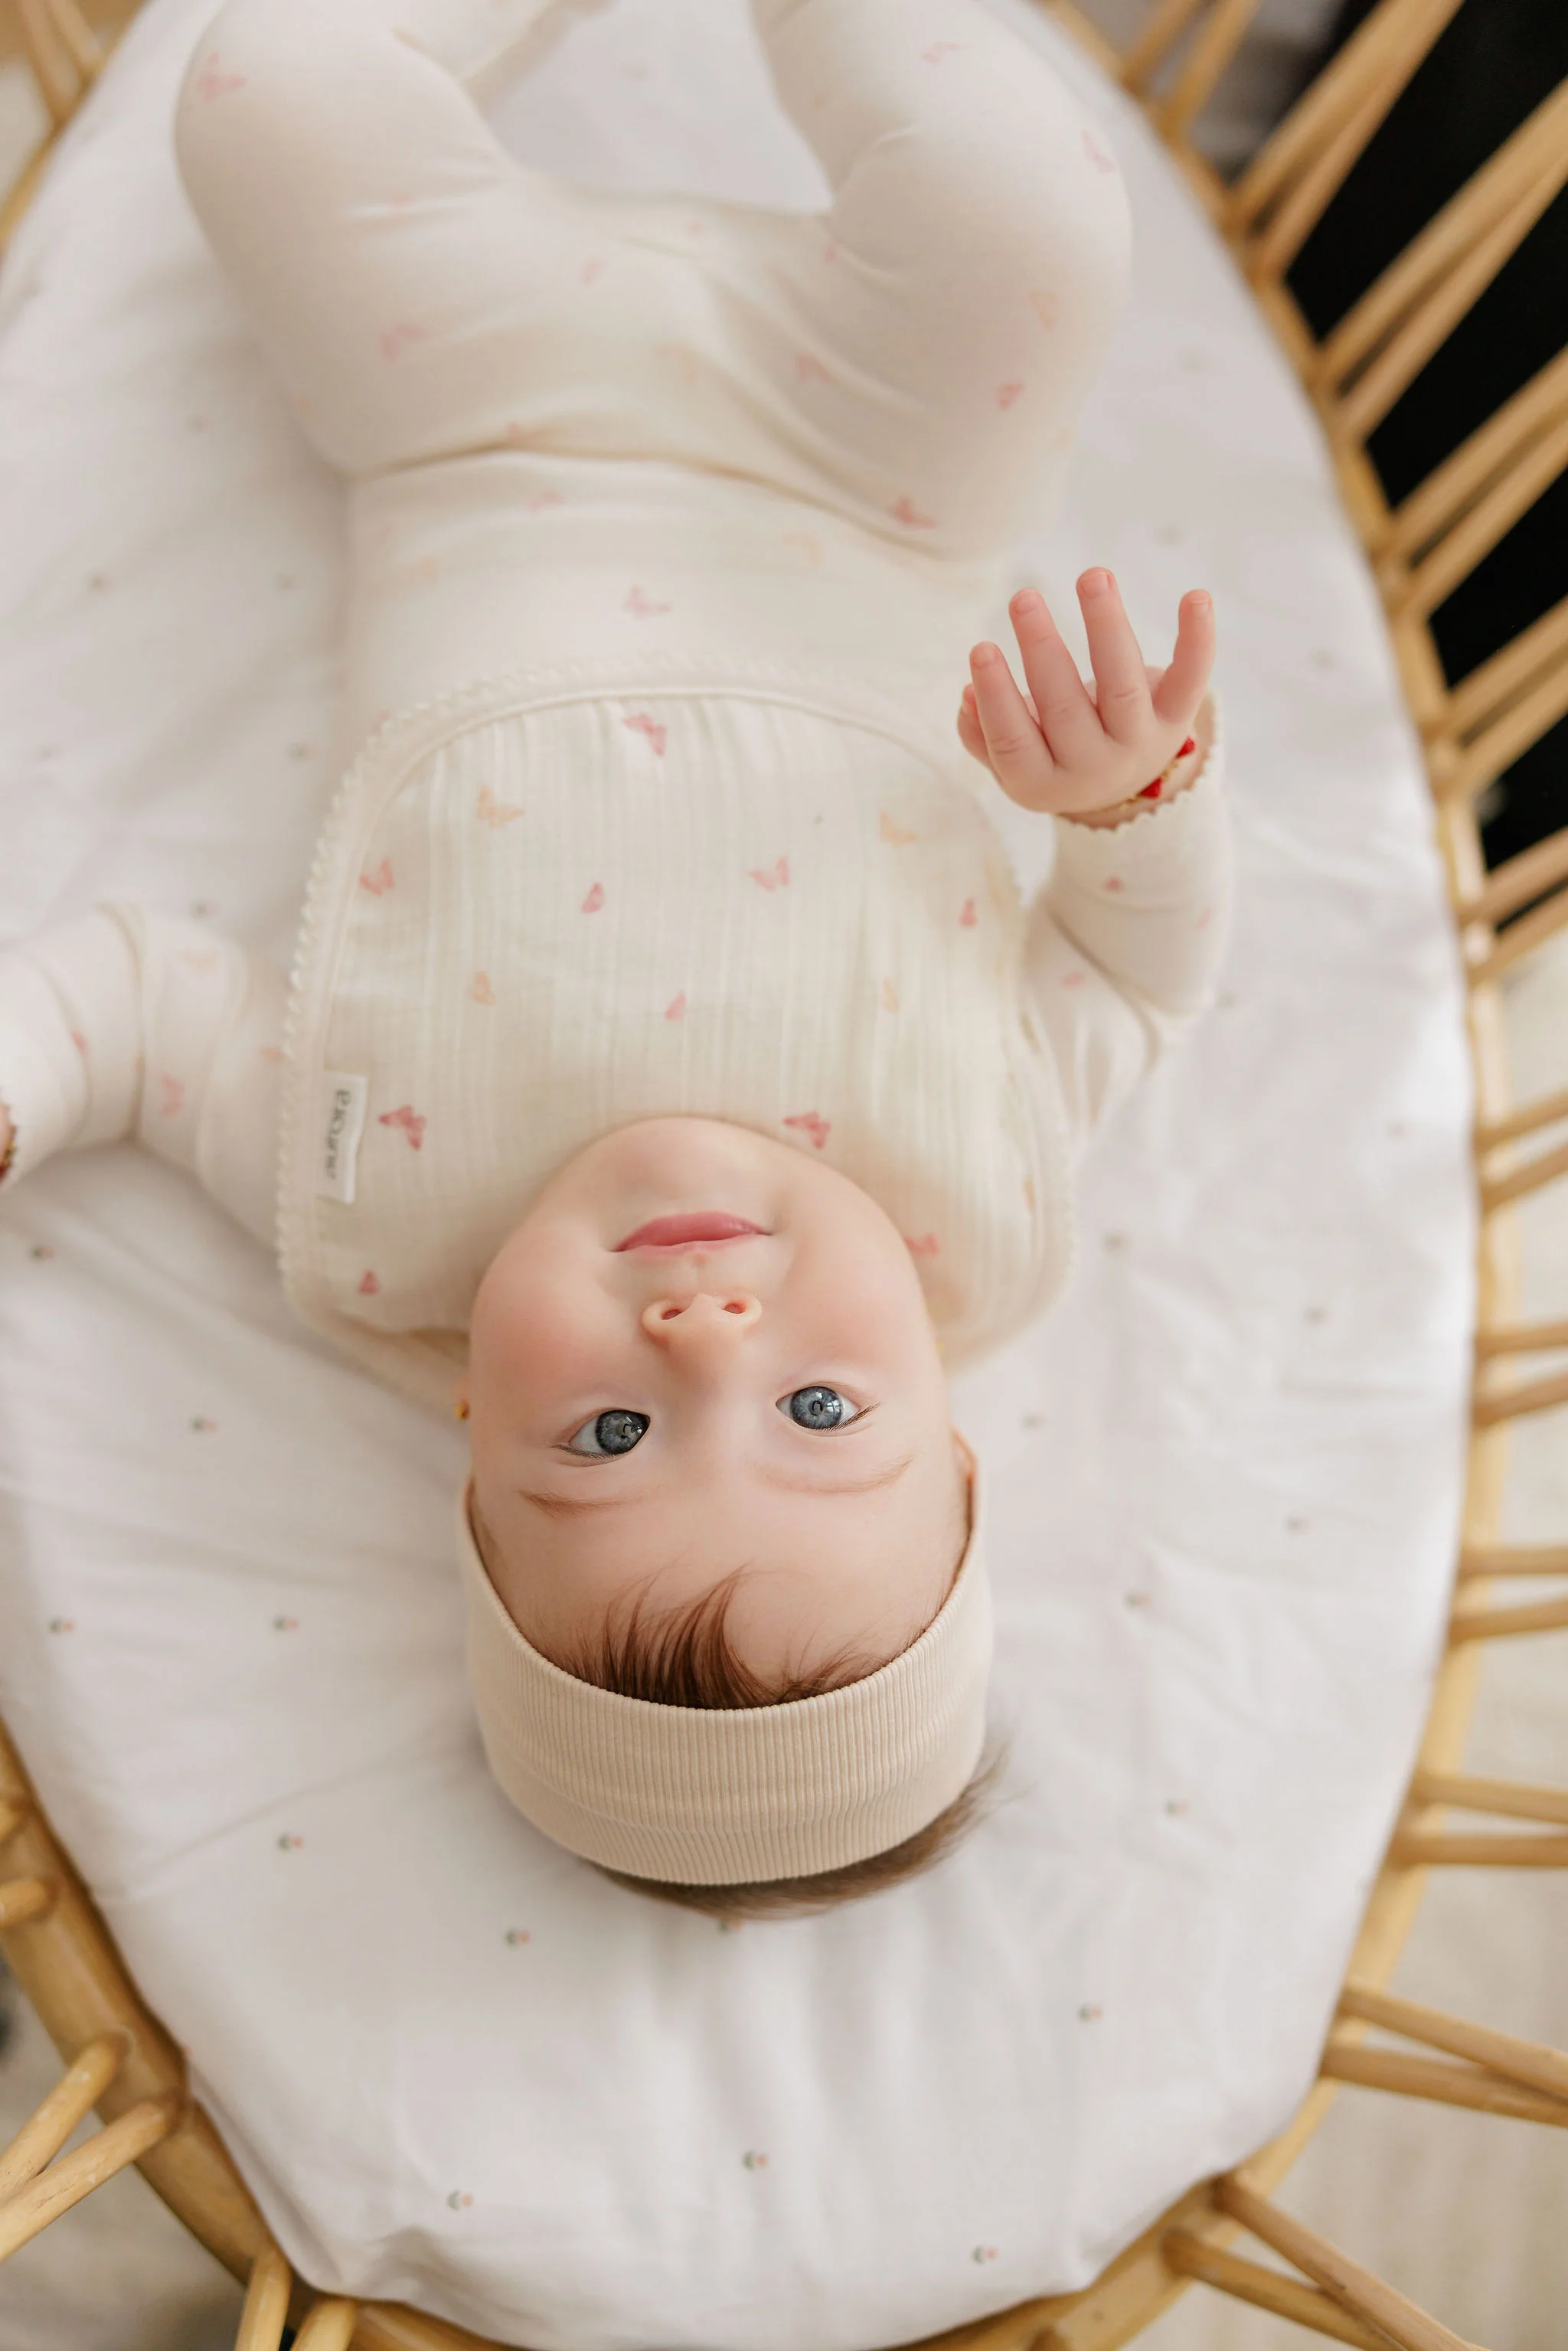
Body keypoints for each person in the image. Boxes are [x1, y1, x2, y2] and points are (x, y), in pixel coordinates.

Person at [0, 0, 1230, 1916]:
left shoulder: (372, 1221)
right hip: (870, 472)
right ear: (962, 1451)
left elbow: (139, 1004)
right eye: (825, 1418)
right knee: (1030, 227)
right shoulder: (981, 1187)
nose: (709, 1339)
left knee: (267, 100)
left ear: (475, 1447)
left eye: (609, 1435)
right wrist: (1129, 805)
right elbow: (1142, 981)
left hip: (478, 426)